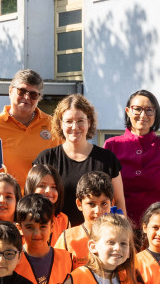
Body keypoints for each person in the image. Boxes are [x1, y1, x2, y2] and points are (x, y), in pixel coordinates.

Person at [34, 94, 126, 225]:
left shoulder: (108, 159)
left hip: (99, 238)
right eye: (69, 121)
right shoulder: (45, 159)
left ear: (89, 122)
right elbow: (32, 202)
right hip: (56, 237)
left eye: (80, 121)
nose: (75, 127)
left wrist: (120, 232)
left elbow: (119, 201)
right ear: (60, 123)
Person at [103, 90, 160, 225]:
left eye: (149, 110)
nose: (143, 115)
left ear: (155, 113)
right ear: (127, 111)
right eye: (137, 109)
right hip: (120, 227)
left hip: (159, 228)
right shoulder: (112, 145)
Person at [0, 69, 60, 187]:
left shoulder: (54, 125)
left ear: (39, 98)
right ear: (10, 91)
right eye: (21, 91)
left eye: (33, 94)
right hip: (4, 202)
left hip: (41, 202)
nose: (26, 97)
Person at [54, 171, 114, 269]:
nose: (98, 211)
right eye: (91, 204)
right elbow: (56, 273)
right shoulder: (68, 238)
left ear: (112, 203)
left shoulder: (120, 236)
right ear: (79, 204)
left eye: (104, 204)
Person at [24, 164, 68, 247]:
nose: (48, 191)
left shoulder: (64, 220)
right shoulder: (22, 218)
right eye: (42, 186)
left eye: (53, 187)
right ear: (31, 187)